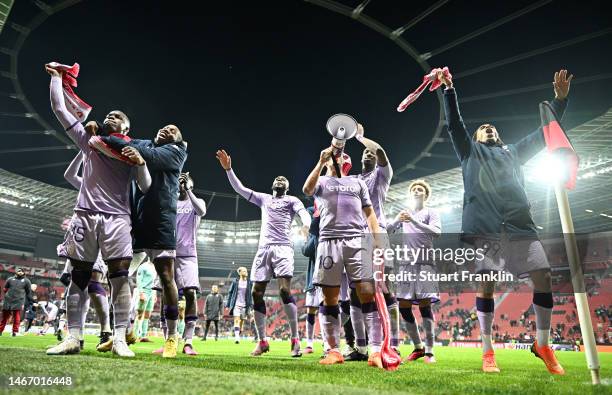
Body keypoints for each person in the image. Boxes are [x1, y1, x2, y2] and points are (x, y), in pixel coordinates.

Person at [438, 69, 572, 375]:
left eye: (491, 127)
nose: (487, 128)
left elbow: (545, 134)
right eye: (482, 127)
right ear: (474, 138)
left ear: (498, 136)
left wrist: (560, 101)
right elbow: (454, 124)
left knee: (544, 276)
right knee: (485, 285)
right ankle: (487, 352)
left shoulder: (513, 152)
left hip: (519, 226)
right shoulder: (469, 152)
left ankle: (543, 345)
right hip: (484, 228)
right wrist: (448, 90)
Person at [45, 65, 150, 357]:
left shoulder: (132, 150)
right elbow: (59, 109)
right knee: (79, 275)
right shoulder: (91, 144)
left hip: (117, 219)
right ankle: (74, 337)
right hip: (85, 215)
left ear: (126, 128)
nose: (109, 117)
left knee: (119, 276)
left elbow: (144, 187)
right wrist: (56, 78)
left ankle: (118, 338)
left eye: (117, 116)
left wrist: (140, 163)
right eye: (108, 114)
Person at [96, 125, 188, 359]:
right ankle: (123, 332)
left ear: (178, 140)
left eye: (173, 130)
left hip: (161, 222)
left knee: (166, 278)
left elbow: (148, 156)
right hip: (137, 222)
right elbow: (128, 144)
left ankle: (171, 337)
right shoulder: (145, 142)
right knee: (118, 274)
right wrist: (105, 136)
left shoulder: (176, 152)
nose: (166, 130)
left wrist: (106, 139)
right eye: (164, 127)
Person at [216, 149, 311, 357]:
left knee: (285, 291)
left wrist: (305, 225)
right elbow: (240, 189)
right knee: (255, 293)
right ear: (272, 186)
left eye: (283, 179)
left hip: (283, 248)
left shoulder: (292, 200)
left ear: (286, 187)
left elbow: (304, 213)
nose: (279, 179)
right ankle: (262, 341)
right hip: (263, 249)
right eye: (277, 178)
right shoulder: (264, 199)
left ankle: (295, 340)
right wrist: (229, 170)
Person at [302, 146, 384, 368]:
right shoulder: (322, 182)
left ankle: (375, 352)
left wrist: (378, 239)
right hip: (329, 242)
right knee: (330, 299)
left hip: (357, 241)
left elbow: (369, 212)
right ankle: (334, 351)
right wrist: (320, 162)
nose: (340, 158)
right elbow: (307, 189)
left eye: (343, 157)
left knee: (367, 293)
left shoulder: (357, 182)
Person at [60, 151, 141, 352]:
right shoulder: (90, 187)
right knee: (79, 279)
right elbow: (70, 176)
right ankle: (75, 337)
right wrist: (84, 151)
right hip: (87, 227)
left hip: (114, 227)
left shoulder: (122, 184)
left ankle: (114, 333)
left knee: (110, 279)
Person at [347, 123, 398, 359]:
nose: (368, 154)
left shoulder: (382, 175)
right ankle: (361, 347)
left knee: (383, 287)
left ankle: (392, 342)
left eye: (371, 153)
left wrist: (360, 138)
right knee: (355, 292)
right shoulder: (355, 180)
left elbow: (381, 153)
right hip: (353, 237)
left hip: (376, 235)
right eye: (364, 153)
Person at [388, 179, 441, 363]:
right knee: (403, 305)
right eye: (414, 189)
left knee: (425, 304)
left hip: (425, 262)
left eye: (420, 189)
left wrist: (413, 221)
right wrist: (397, 220)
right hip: (406, 264)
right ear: (410, 194)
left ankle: (430, 351)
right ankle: (418, 347)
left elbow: (436, 232)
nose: (417, 191)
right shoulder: (404, 213)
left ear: (425, 195)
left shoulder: (431, 212)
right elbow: (386, 230)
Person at [175, 172, 207, 354]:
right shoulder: (170, 201)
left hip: (188, 255)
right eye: (179, 181)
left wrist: (188, 189)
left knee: (190, 294)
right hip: (169, 253)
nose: (181, 183)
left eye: (185, 181)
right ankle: (169, 338)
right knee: (168, 295)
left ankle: (188, 340)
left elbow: (202, 211)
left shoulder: (197, 202)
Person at [0, 268, 32, 336]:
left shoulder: (27, 281)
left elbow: (28, 293)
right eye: (19, 271)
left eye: (22, 271)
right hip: (8, 300)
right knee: (4, 317)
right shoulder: (10, 279)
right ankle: (0, 331)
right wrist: (8, 295)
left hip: (18, 301)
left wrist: (29, 302)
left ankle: (15, 332)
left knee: (16, 317)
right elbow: (5, 289)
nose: (20, 272)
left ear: (24, 273)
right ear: (16, 272)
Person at [226, 267, 252, 344]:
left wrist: (251, 305)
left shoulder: (249, 282)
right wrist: (228, 304)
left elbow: (251, 294)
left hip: (245, 305)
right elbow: (230, 293)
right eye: (244, 271)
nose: (246, 272)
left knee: (241, 321)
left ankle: (239, 331)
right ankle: (237, 337)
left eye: (246, 271)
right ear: (240, 273)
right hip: (236, 304)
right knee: (236, 320)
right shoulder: (235, 282)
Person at [134, 259, 156, 342]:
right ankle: (135, 336)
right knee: (140, 314)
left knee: (147, 315)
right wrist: (141, 293)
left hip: (152, 292)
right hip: (144, 291)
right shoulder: (143, 266)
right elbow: (138, 280)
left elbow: (155, 281)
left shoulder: (155, 267)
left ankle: (143, 335)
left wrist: (155, 294)